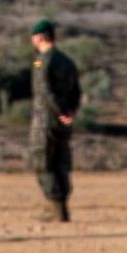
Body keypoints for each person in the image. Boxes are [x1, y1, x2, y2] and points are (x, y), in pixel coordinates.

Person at [26, 24, 81, 220]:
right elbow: (76, 92)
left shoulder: (42, 62)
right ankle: (61, 205)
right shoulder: (66, 61)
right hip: (63, 120)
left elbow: (44, 91)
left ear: (40, 37)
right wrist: (69, 112)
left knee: (42, 161)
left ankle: (55, 207)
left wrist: (58, 110)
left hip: (45, 118)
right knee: (61, 161)